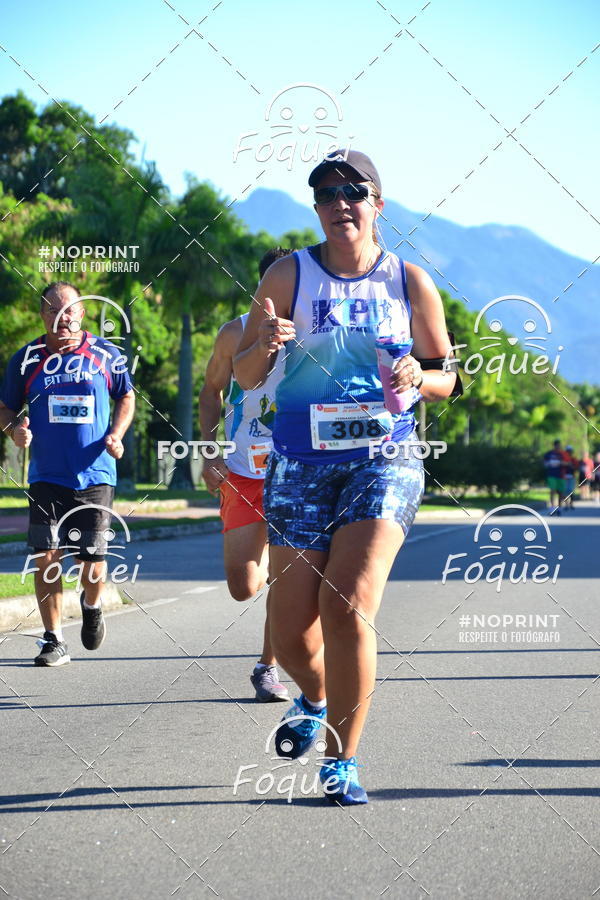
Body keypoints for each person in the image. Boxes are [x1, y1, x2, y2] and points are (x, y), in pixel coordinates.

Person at [234, 149, 460, 804]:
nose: (340, 203)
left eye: (353, 192)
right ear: (317, 209)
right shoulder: (287, 275)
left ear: (377, 204)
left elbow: (450, 375)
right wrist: (266, 346)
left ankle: (342, 759)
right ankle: (313, 694)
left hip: (382, 459)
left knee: (348, 602)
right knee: (289, 631)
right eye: (326, 194)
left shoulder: (409, 282)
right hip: (301, 464)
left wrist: (422, 375)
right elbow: (248, 375)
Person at [0, 281, 135, 666]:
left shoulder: (107, 354)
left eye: (70, 311)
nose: (64, 318)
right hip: (46, 475)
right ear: (42, 315)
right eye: (54, 311)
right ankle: (52, 640)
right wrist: (14, 430)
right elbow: (5, 408)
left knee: (91, 563)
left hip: (95, 474)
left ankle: (91, 606)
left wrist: (117, 433)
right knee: (46, 556)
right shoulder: (25, 359)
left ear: (83, 313)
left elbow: (126, 395)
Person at [199, 248, 292, 703]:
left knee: (287, 576)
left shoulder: (319, 335)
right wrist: (209, 451)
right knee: (244, 586)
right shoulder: (233, 332)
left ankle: (267, 667)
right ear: (262, 289)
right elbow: (211, 391)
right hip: (242, 470)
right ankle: (276, 566)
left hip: (299, 469)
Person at [543, 439, 565, 515]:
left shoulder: (562, 454)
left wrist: (560, 463)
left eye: (559, 445)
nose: (558, 447)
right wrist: (548, 463)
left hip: (560, 475)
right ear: (554, 445)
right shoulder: (549, 454)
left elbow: (567, 463)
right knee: (552, 490)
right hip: (551, 475)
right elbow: (544, 462)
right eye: (557, 445)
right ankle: (552, 508)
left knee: (560, 492)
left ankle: (559, 508)